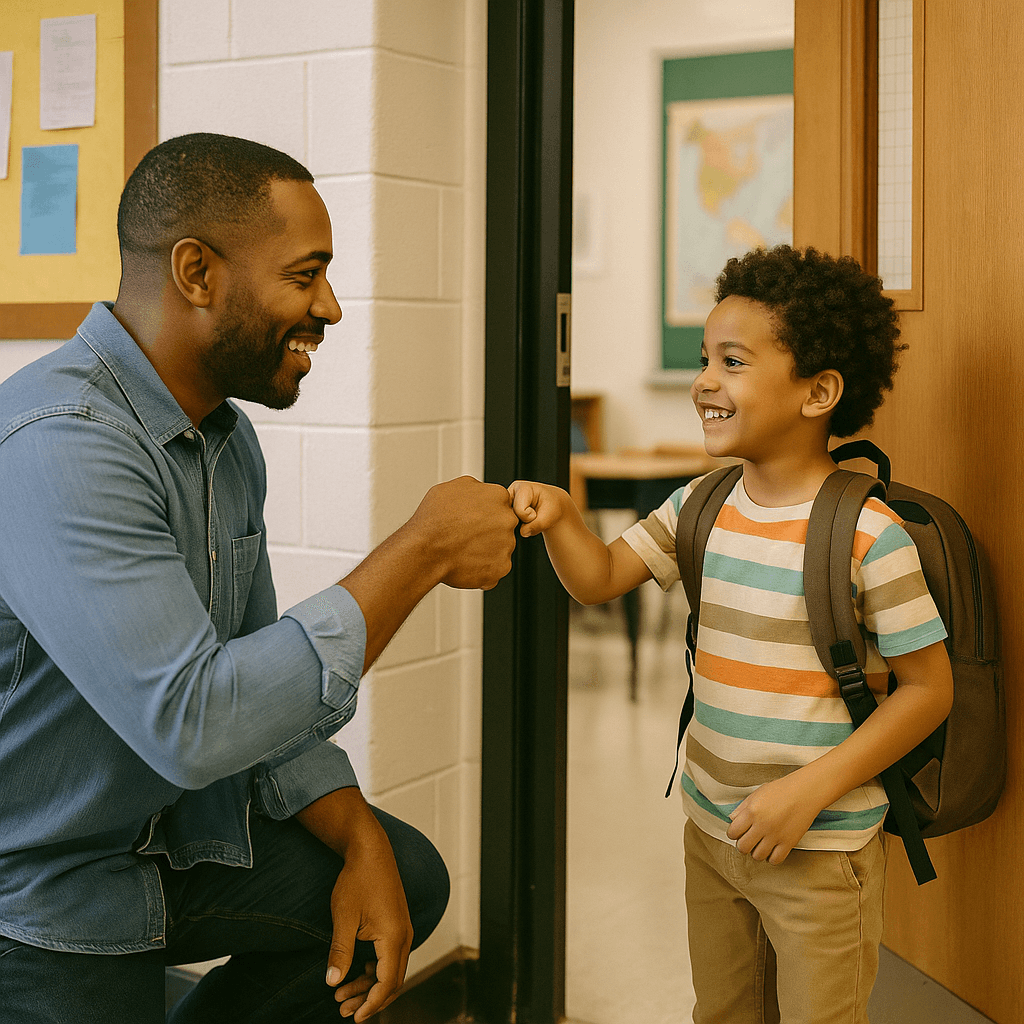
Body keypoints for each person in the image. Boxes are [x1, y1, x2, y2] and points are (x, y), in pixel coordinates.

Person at [0, 133, 518, 1024]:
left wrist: (359, 839)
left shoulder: (224, 444)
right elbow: (194, 722)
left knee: (407, 876)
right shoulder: (61, 443)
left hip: (162, 840)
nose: (332, 307)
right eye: (305, 274)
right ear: (197, 273)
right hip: (40, 887)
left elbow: (256, 682)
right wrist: (421, 551)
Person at [509, 245, 954, 1024]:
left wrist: (807, 793)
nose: (705, 381)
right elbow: (600, 579)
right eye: (705, 358)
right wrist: (560, 518)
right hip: (712, 834)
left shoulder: (868, 535)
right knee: (721, 1013)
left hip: (821, 850)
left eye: (734, 362)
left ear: (819, 392)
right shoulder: (701, 504)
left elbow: (928, 691)